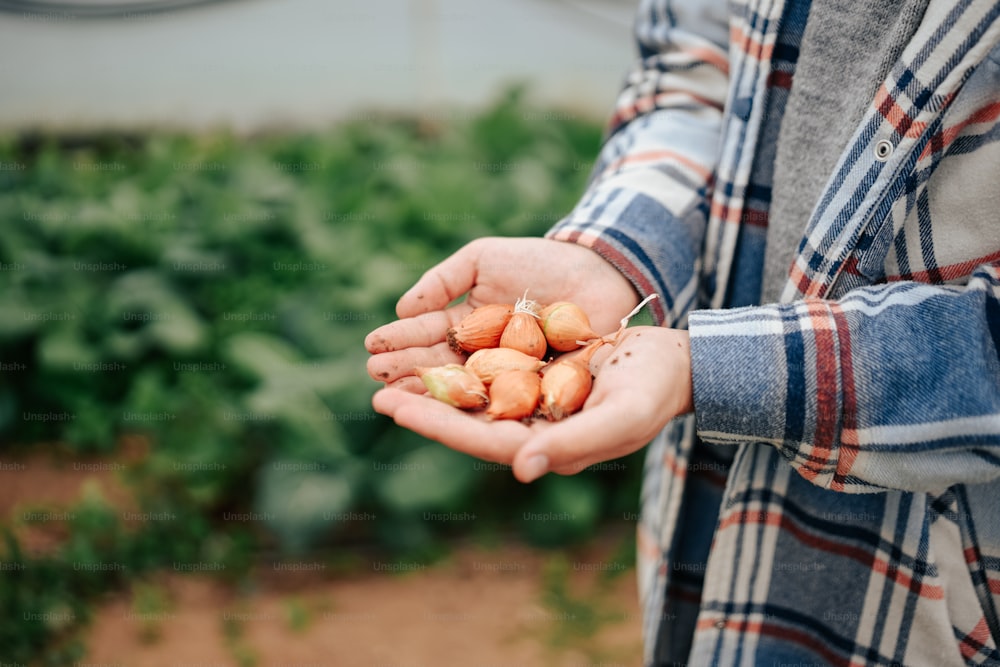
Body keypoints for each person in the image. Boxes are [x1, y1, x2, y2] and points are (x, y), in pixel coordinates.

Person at [365, 0, 1000, 664]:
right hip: (706, 493)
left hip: (934, 578)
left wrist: (716, 368)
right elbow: (688, 75)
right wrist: (616, 252)